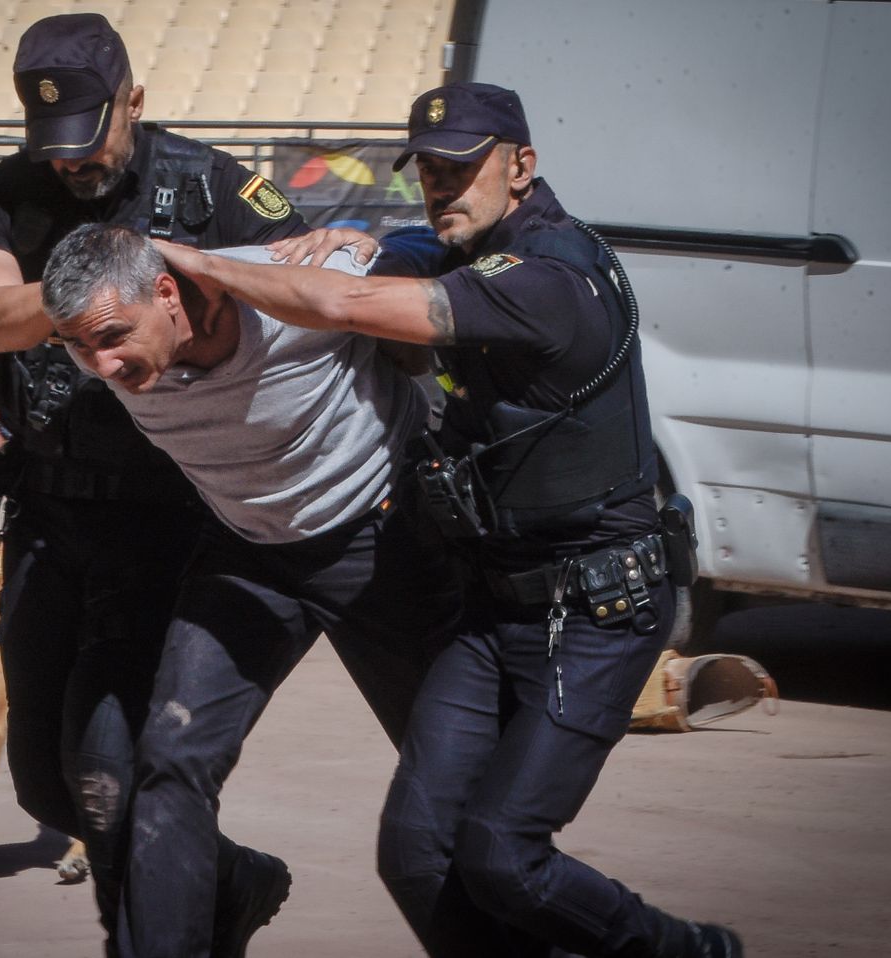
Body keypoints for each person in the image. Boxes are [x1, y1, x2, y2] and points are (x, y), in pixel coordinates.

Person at [158, 82, 746, 957]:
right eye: (429, 169)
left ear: (522, 168)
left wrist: (206, 265)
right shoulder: (457, 249)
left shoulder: (548, 278)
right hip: (495, 603)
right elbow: (395, 261)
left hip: (596, 612)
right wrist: (370, 243)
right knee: (415, 853)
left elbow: (351, 307)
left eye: (463, 168)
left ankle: (685, 951)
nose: (442, 186)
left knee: (502, 855)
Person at [0, 13, 359, 954]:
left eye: (91, 139)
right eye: (53, 145)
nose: (72, 165)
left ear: (133, 101)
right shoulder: (0, 191)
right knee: (47, 791)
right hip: (50, 516)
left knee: (106, 770)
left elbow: (306, 280)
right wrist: (116, 290)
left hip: (168, 521)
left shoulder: (210, 185)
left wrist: (326, 248)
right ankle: (231, 879)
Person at [39, 224, 460, 958]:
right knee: (167, 758)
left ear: (167, 292)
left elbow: (438, 252)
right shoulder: (105, 341)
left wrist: (382, 245)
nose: (102, 365)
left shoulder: (289, 290)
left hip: (379, 543)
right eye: (79, 347)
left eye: (112, 336)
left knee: (453, 801)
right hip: (249, 553)